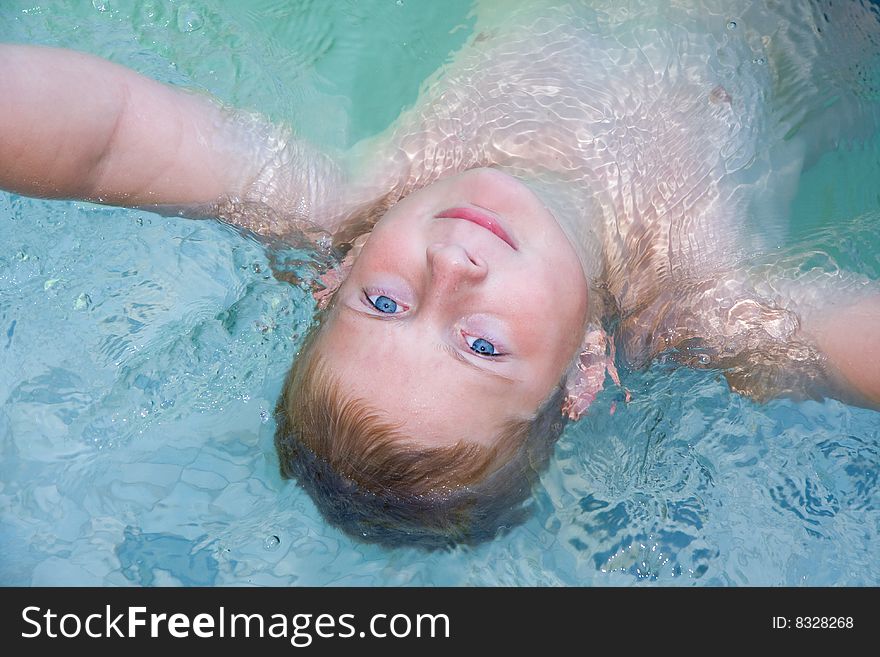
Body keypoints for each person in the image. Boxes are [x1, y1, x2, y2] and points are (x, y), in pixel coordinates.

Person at [2, 0, 879, 549]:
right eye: (483, 343)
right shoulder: (699, 301)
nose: (451, 271)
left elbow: (105, 141)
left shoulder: (353, 198)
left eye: (384, 303)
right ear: (582, 371)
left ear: (335, 274)